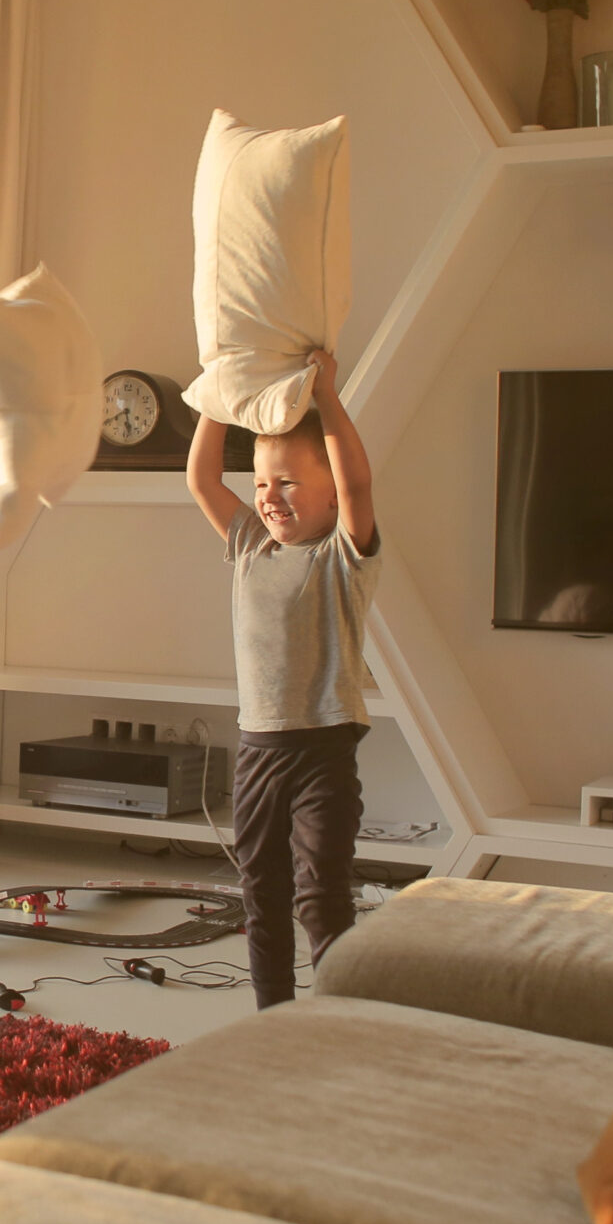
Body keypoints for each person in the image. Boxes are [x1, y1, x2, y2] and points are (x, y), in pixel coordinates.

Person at [185, 349, 381, 1009]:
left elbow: (359, 485)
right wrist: (217, 397)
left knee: (320, 892)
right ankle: (273, 1015)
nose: (269, 495)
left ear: (329, 494)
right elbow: (202, 479)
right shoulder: (250, 544)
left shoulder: (342, 557)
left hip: (324, 748)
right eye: (262, 482)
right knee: (261, 893)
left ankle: (334, 1011)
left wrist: (328, 397)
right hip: (258, 750)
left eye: (289, 482)